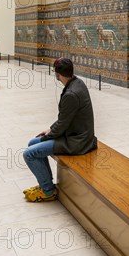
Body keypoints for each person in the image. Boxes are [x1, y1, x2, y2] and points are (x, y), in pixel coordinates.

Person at [23, 57, 97, 202]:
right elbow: (65, 119)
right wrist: (50, 129)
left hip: (77, 141)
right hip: (73, 133)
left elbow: (62, 124)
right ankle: (46, 183)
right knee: (32, 143)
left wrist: (47, 135)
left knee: (29, 154)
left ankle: (48, 191)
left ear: (57, 74)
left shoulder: (71, 94)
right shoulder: (77, 82)